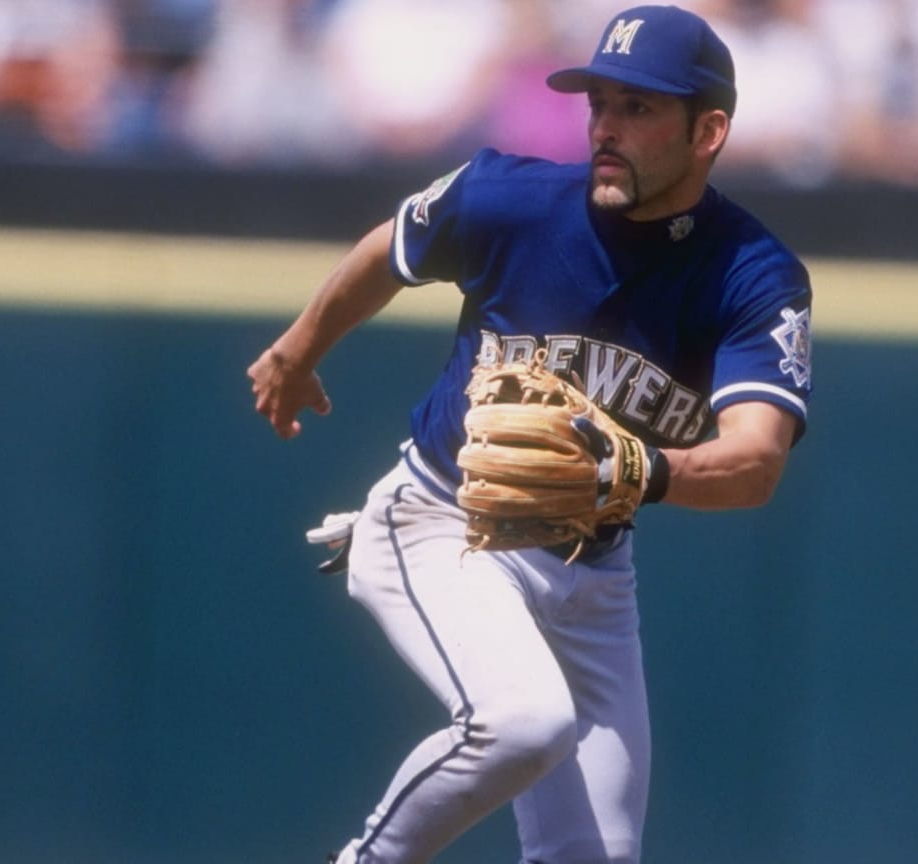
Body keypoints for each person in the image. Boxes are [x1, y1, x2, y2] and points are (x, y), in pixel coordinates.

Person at [246, 6, 813, 862]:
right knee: (520, 722)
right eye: (600, 104)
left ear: (710, 131)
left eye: (639, 108)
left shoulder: (752, 273)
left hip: (593, 573)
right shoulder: (511, 197)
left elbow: (758, 460)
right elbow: (391, 248)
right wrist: (296, 351)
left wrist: (641, 471)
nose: (607, 128)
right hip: (443, 521)